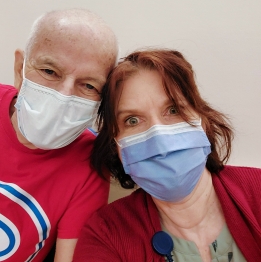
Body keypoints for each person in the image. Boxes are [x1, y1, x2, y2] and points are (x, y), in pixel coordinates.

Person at [0, 8, 118, 262]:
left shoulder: (89, 164)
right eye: (50, 71)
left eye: (88, 85)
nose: (64, 96)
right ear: (20, 67)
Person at [72, 49, 261, 261]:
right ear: (116, 146)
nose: (159, 137)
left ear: (202, 119)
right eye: (132, 120)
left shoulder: (258, 191)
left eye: (173, 110)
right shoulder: (105, 235)